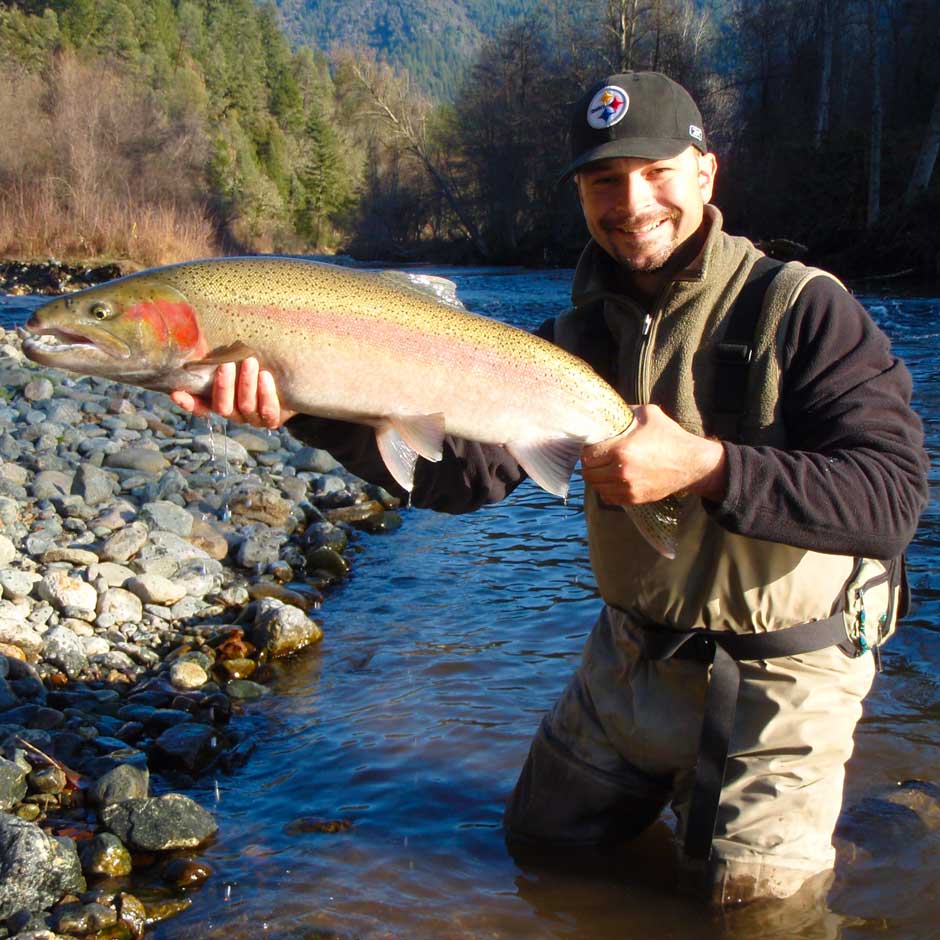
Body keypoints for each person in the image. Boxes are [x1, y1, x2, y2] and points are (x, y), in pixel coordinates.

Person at [171, 71, 929, 907]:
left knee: (753, 917)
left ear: (706, 174)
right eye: (605, 180)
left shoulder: (808, 311)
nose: (631, 201)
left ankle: (885, 826)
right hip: (635, 655)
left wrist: (709, 468)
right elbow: (464, 478)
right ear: (579, 194)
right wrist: (308, 410)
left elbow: (892, 501)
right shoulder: (568, 338)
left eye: (656, 173)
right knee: (540, 853)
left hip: (785, 674)